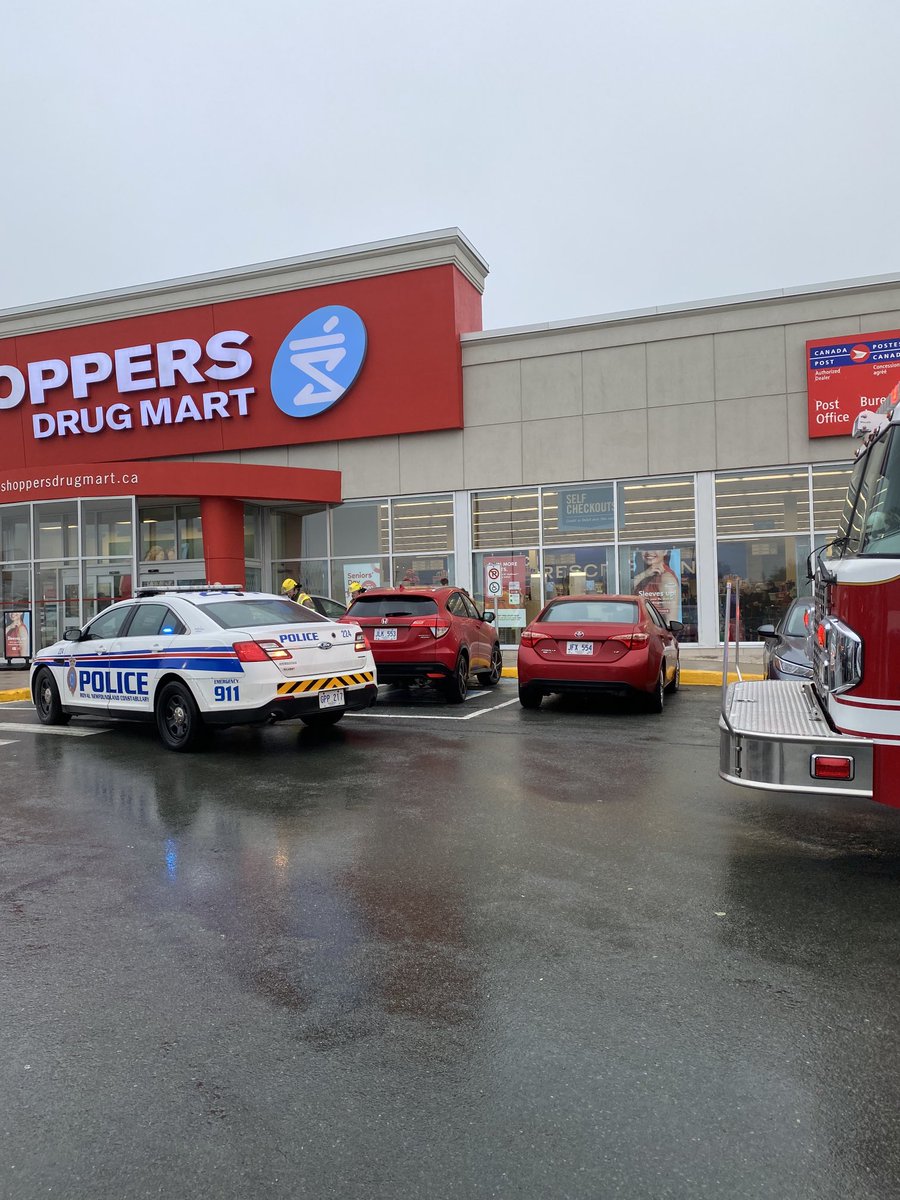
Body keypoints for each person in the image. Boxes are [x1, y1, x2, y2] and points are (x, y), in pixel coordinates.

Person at [632, 548, 679, 620]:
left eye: (655, 548)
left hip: (655, 630)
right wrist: (645, 574)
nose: (649, 552)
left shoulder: (666, 578)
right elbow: (623, 590)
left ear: (665, 551)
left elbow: (671, 620)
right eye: (644, 548)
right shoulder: (645, 574)